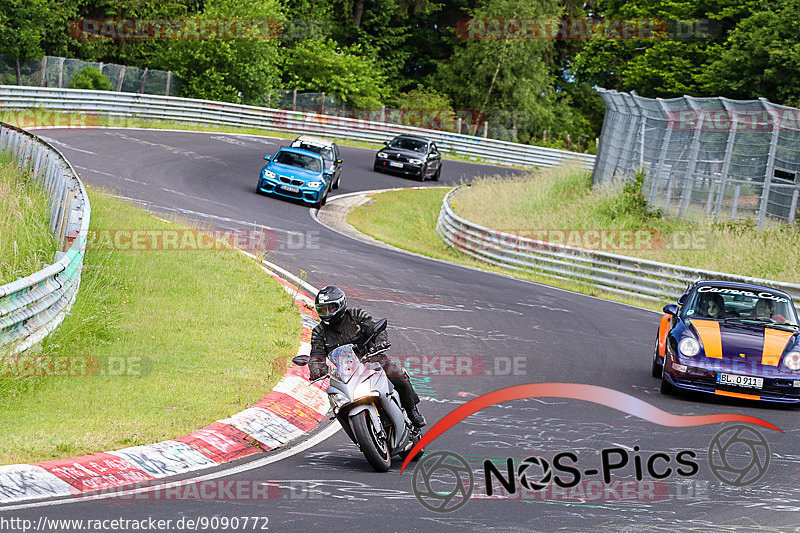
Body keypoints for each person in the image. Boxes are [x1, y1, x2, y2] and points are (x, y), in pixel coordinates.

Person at [309, 286, 427, 428]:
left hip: (372, 360)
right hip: (345, 372)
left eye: (331, 308)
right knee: (337, 403)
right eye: (323, 309)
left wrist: (380, 342)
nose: (327, 313)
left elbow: (376, 329)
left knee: (397, 375)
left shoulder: (356, 315)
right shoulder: (318, 332)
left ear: (341, 304)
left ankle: (411, 410)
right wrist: (316, 369)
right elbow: (316, 354)